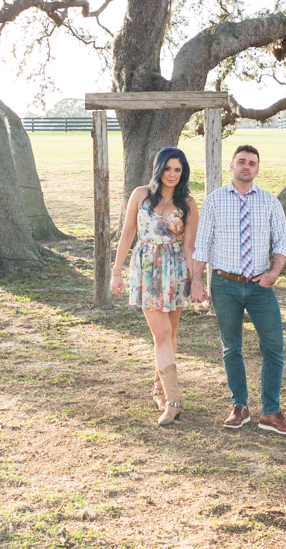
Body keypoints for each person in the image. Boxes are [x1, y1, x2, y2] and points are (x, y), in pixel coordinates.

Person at [189, 144, 286, 435]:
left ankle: (271, 413)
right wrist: (197, 282)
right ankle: (240, 407)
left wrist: (273, 274)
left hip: (260, 287)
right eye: (241, 161)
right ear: (231, 166)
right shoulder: (214, 201)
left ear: (258, 169)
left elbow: (282, 242)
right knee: (231, 348)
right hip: (224, 284)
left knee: (274, 348)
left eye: (252, 162)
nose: (246, 166)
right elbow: (202, 245)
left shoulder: (270, 202)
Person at [109, 146, 200, 426]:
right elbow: (127, 235)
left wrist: (195, 280)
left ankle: (159, 389)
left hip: (175, 270)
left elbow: (189, 245)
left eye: (178, 170)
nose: (172, 175)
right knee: (161, 333)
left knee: (170, 334)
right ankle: (173, 401)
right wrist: (116, 272)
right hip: (147, 268)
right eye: (168, 168)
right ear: (158, 168)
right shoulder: (140, 195)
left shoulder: (188, 203)